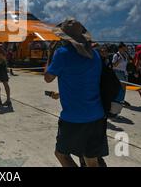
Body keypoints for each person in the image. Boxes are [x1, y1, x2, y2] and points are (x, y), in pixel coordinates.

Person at [44, 19, 108, 167]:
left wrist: (50, 55)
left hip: (73, 117)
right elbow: (85, 81)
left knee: (61, 154)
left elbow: (48, 77)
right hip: (96, 115)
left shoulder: (62, 53)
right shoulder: (95, 55)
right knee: (91, 159)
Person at [112, 43, 131, 107]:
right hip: (118, 72)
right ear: (120, 48)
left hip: (124, 72)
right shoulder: (116, 55)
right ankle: (119, 99)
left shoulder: (125, 55)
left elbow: (127, 63)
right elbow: (114, 65)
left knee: (124, 87)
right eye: (124, 47)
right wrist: (119, 61)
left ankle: (121, 99)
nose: (125, 49)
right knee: (122, 87)